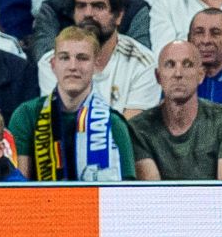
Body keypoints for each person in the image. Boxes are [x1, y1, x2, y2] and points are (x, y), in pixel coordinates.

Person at [11, 26, 137, 181]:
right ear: (53, 64)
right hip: (42, 204)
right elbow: (17, 189)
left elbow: (127, 192)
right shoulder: (26, 115)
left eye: (82, 58)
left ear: (96, 65)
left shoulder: (114, 124)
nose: (73, 67)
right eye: (64, 58)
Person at [36, 0, 160, 117]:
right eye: (81, 6)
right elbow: (58, 123)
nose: (88, 13)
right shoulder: (52, 62)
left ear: (119, 16)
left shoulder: (143, 63)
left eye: (98, 6)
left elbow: (130, 131)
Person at [129, 41, 222, 180]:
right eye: (170, 65)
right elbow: (153, 193)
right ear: (158, 77)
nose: (178, 73)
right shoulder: (138, 129)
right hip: (163, 201)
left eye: (187, 64)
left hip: (214, 201)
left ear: (201, 75)